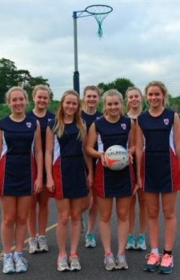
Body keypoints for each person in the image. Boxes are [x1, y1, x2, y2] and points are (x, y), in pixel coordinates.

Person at [0, 86, 43, 274]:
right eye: (14, 100)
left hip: (27, 175)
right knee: (8, 218)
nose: (18, 103)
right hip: (7, 175)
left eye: (21, 99)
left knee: (22, 218)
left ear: (26, 100)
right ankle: (7, 256)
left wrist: (39, 176)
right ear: (9, 102)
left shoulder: (33, 123)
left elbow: (38, 151)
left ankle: (19, 254)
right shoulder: (2, 124)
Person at [136, 81, 180, 274]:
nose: (154, 97)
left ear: (163, 95)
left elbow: (179, 146)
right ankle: (154, 252)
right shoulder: (141, 119)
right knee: (152, 212)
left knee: (169, 213)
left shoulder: (172, 116)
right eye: (150, 94)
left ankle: (168, 254)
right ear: (146, 97)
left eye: (157, 94)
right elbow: (139, 148)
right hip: (148, 169)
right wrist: (139, 174)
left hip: (168, 168)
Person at [86, 89, 136, 271]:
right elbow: (88, 148)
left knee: (123, 215)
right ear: (104, 105)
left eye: (116, 103)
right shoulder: (98, 125)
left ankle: (121, 253)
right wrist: (102, 155)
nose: (113, 107)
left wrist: (126, 154)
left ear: (121, 104)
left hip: (124, 174)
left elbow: (135, 145)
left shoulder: (128, 123)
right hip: (104, 174)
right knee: (105, 216)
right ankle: (108, 254)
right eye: (109, 104)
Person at [45, 90, 92, 272]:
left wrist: (89, 173)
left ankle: (74, 254)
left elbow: (85, 151)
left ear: (78, 106)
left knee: (76, 217)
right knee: (63, 217)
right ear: (62, 104)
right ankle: (62, 254)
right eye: (68, 103)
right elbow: (48, 153)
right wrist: (49, 176)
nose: (71, 106)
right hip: (60, 173)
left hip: (78, 173)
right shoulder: (53, 125)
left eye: (74, 103)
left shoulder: (82, 124)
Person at [27, 85, 55, 254]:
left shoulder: (53, 119)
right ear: (34, 98)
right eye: (40, 97)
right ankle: (32, 238)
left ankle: (42, 236)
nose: (42, 100)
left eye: (45, 98)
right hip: (30, 165)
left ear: (49, 100)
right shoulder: (27, 117)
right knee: (31, 204)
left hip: (48, 165)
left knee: (44, 203)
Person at [125, 87, 147, 251]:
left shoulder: (147, 117)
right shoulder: (123, 119)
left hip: (146, 161)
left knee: (144, 201)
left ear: (141, 98)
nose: (134, 99)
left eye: (136, 96)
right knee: (130, 202)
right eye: (131, 97)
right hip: (127, 162)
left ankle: (143, 235)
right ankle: (130, 235)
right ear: (127, 99)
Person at [81, 85, 103, 248]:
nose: (91, 99)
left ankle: (90, 233)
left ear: (98, 99)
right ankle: (78, 217)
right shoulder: (76, 115)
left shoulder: (102, 118)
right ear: (84, 97)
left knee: (94, 201)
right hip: (76, 162)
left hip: (95, 161)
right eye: (89, 96)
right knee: (82, 202)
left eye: (94, 96)